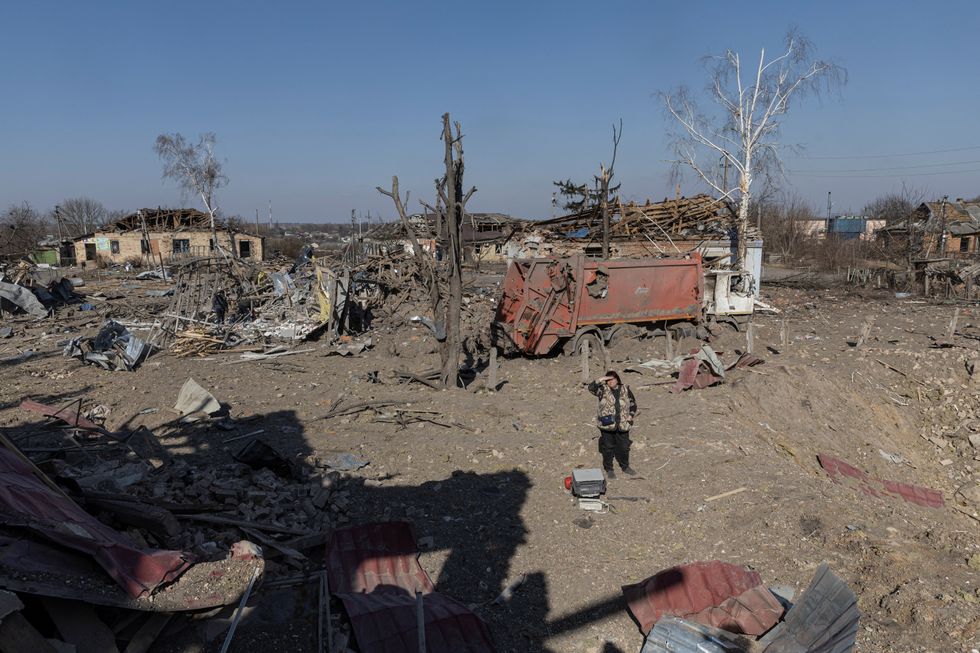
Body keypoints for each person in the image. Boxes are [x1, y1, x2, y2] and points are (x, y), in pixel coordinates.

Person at [587, 370, 637, 478]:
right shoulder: (602, 390)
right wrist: (602, 379)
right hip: (607, 424)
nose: (610, 382)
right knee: (608, 448)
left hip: (623, 424)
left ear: (617, 379)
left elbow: (633, 404)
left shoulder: (625, 389)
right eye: (608, 380)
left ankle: (625, 467)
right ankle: (609, 469)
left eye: (612, 379)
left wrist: (631, 415)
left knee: (624, 447)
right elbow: (591, 388)